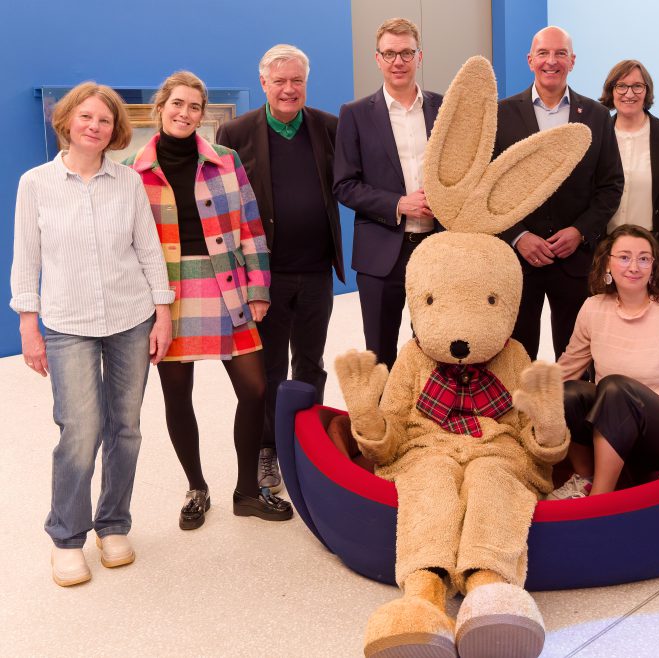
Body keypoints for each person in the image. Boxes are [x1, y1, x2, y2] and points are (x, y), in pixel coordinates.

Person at [10, 82, 173, 586]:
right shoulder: (35, 183)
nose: (95, 127)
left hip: (130, 319)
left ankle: (114, 524)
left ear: (115, 130)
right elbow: (26, 259)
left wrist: (162, 314)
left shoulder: (127, 182)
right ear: (67, 121)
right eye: (86, 117)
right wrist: (28, 324)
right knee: (80, 432)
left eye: (104, 120)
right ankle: (66, 537)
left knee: (125, 428)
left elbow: (148, 250)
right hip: (67, 325)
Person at [125, 71, 293, 529]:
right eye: (177, 104)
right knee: (178, 396)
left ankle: (245, 491)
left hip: (226, 284)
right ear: (160, 108)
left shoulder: (226, 159)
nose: (185, 113)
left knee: (255, 388)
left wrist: (258, 289)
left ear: (203, 115)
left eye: (194, 107)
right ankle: (197, 487)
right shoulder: (132, 172)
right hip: (167, 293)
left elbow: (251, 228)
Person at [217, 44, 343, 494]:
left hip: (316, 273)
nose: (289, 89)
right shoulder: (234, 132)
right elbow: (225, 209)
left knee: (310, 363)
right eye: (280, 81)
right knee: (270, 369)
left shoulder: (329, 127)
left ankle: (308, 444)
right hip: (264, 280)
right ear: (264, 84)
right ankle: (269, 449)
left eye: (297, 81)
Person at [550, 225, 659, 499]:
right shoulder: (593, 308)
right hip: (610, 426)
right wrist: (524, 400)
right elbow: (567, 368)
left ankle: (599, 499)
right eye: (624, 257)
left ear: (653, 265)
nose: (634, 267)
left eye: (643, 258)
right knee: (565, 392)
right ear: (607, 263)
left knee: (615, 388)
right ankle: (587, 478)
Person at [494, 25, 624, 361]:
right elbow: (488, 188)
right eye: (544, 53)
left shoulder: (596, 116)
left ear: (573, 60)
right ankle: (520, 416)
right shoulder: (501, 115)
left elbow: (611, 185)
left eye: (560, 53)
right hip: (518, 259)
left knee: (577, 356)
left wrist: (580, 231)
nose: (551, 61)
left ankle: (572, 416)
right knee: (516, 356)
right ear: (530, 60)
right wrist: (518, 235)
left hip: (577, 260)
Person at [334, 17, 443, 370]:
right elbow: (344, 185)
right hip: (381, 253)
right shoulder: (354, 115)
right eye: (390, 53)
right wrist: (398, 203)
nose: (399, 61)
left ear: (419, 56)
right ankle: (383, 424)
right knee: (380, 353)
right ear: (377, 59)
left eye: (406, 53)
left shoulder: (444, 109)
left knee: (434, 346)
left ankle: (427, 422)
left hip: (436, 247)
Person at [599, 59, 659, 294]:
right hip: (605, 253)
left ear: (647, 91)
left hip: (658, 253)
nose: (629, 93)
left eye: (637, 87)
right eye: (621, 86)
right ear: (611, 91)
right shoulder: (597, 137)